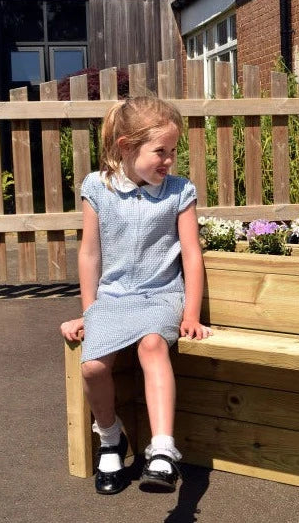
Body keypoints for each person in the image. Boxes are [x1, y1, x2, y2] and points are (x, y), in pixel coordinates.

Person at [60, 96, 212, 495]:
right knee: (93, 367)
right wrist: (89, 313)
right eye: (160, 151)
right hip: (113, 299)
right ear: (126, 146)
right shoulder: (97, 187)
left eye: (173, 151)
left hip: (161, 295)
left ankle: (162, 451)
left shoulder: (180, 191)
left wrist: (191, 314)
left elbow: (191, 254)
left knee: (151, 347)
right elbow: (90, 254)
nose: (169, 160)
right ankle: (110, 437)